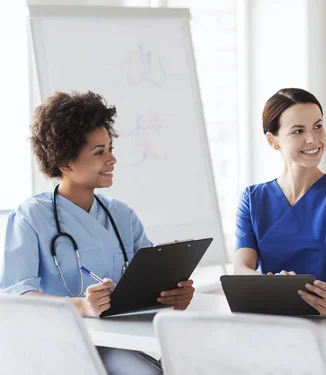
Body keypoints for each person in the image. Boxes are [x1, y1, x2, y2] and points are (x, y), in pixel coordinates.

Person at [0, 91, 195, 374]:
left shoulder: (121, 214)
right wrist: (81, 305)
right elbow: (16, 296)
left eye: (110, 149)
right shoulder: (30, 217)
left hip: (116, 342)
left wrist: (172, 295)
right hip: (56, 345)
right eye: (99, 152)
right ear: (65, 163)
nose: (112, 159)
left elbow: (150, 276)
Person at [234, 88, 326, 317]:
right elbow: (241, 268)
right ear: (273, 141)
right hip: (271, 318)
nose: (313, 139)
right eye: (298, 131)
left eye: (318, 126)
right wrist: (273, 287)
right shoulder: (253, 199)